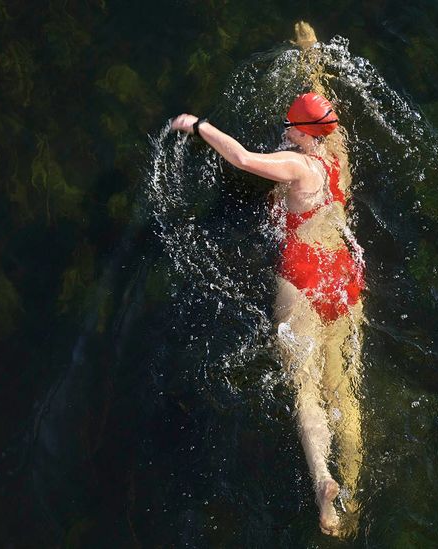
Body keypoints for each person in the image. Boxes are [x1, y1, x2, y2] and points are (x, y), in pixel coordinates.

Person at [171, 92, 365, 536]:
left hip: (302, 277)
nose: (286, 128)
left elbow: (240, 158)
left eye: (290, 124)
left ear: (300, 132)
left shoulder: (296, 166)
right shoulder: (337, 153)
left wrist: (198, 125)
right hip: (344, 276)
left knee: (304, 385)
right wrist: (312, 51)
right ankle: (353, 483)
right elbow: (322, 102)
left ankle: (322, 481)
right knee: (344, 389)